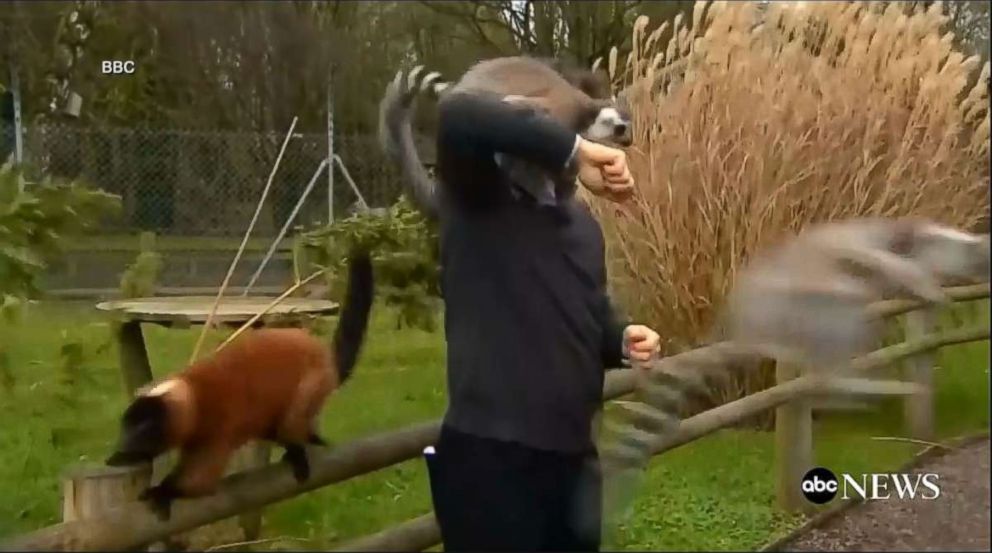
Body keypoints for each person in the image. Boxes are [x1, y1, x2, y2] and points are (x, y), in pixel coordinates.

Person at [424, 90, 662, 552]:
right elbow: (459, 113)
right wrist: (577, 150)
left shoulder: (581, 229)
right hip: (492, 461)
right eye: (525, 131)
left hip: (574, 462)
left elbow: (588, 312)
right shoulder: (475, 207)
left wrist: (620, 340)